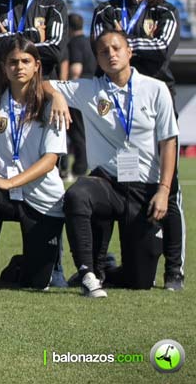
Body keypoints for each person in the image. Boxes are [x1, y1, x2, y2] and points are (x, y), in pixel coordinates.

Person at [51, 30, 178, 297]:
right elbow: (40, 83)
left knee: (139, 281)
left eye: (117, 48)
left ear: (129, 52)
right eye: (104, 51)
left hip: (144, 188)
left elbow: (169, 142)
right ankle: (88, 272)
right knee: (76, 194)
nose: (111, 54)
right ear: (97, 59)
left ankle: (106, 269)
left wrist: (164, 190)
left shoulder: (156, 89)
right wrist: (57, 96)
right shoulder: (90, 89)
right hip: (107, 184)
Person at [91, 0, 184, 290]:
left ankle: (174, 270)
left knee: (167, 186)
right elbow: (98, 46)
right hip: (112, 103)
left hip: (155, 101)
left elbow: (161, 50)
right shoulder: (105, 10)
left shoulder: (165, 12)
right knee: (106, 178)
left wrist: (122, 40)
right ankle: (97, 266)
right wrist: (117, 44)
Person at [0, 36, 66, 295]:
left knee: (37, 283)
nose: (19, 67)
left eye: (25, 61)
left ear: (36, 66)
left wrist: (9, 181)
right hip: (2, 192)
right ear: (3, 67)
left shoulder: (50, 105)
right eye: (12, 62)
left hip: (40, 197)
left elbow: (50, 160)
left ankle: (20, 266)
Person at [63, 13, 95, 179]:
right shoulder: (90, 43)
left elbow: (76, 69)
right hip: (92, 90)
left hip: (78, 91)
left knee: (76, 133)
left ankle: (78, 169)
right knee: (85, 132)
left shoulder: (74, 44)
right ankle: (84, 166)